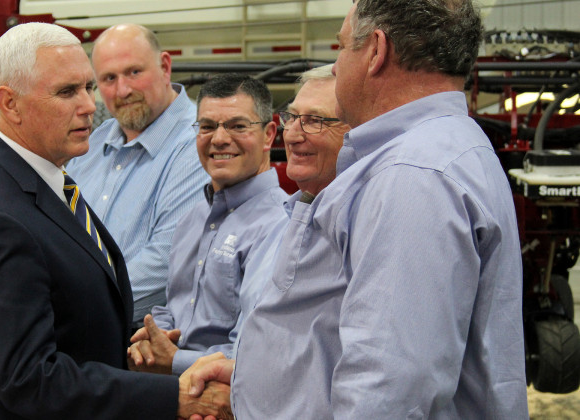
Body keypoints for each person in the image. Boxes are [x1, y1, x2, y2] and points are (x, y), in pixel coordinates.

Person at [186, 1, 529, 418]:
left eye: (342, 47)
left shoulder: (412, 176)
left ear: (376, 51)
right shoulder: (433, 152)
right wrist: (250, 378)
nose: (336, 66)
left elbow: (389, 387)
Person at [0, 23, 230, 420]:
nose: (91, 105)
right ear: (10, 104)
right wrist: (173, 395)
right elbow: (30, 380)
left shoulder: (42, 179)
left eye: (88, 87)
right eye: (67, 92)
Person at [127, 74, 288, 376]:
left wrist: (173, 360)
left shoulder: (280, 225)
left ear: (268, 135)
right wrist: (153, 338)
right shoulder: (193, 219)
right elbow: (174, 307)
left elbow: (256, 349)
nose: (220, 138)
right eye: (207, 126)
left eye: (238, 126)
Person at [66, 24, 209, 325]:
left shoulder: (199, 142)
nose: (123, 90)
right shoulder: (90, 147)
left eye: (134, 72)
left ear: (165, 67)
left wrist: (74, 310)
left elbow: (167, 262)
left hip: (140, 341)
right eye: (109, 78)